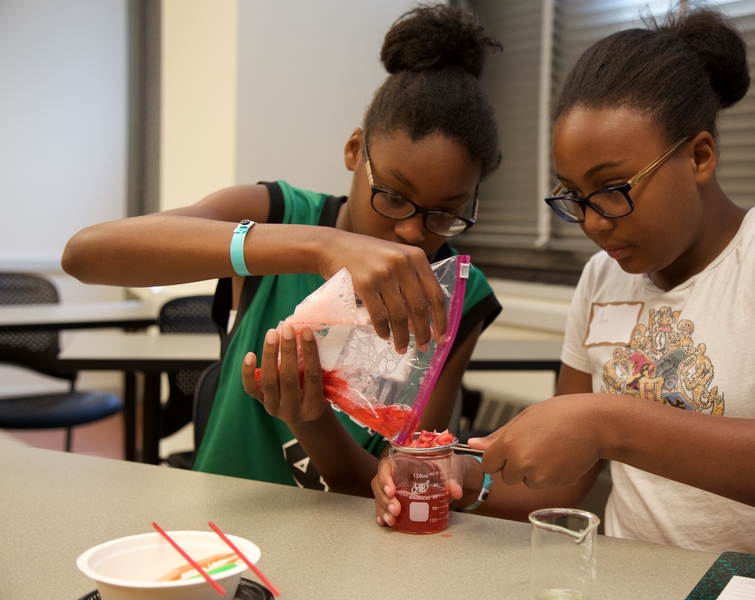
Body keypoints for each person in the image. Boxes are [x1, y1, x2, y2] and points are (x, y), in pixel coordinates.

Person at [372, 6, 755, 562]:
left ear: (698, 156)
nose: (595, 222)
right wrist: (458, 474)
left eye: (613, 188)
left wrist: (609, 421)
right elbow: (563, 485)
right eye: (575, 195)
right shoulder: (602, 278)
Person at [62, 4, 503, 494]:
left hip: (349, 548)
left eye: (445, 212)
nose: (411, 234)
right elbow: (86, 253)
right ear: (355, 151)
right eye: (394, 197)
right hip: (220, 527)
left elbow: (404, 486)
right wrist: (319, 247)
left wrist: (311, 420)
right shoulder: (278, 213)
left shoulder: (458, 296)